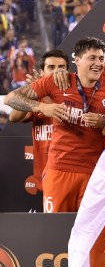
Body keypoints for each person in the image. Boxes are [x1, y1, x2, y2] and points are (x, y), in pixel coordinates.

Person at [4, 37, 105, 212]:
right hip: (60, 170)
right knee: (54, 233)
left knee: (87, 236)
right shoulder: (58, 82)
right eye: (92, 58)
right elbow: (11, 98)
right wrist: (42, 107)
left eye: (101, 58)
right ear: (77, 60)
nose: (98, 63)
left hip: (94, 173)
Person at [8, 49, 69, 196]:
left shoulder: (76, 96)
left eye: (61, 67)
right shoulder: (37, 99)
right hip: (45, 177)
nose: (56, 72)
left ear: (68, 72)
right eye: (51, 67)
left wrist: (43, 93)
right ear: (42, 73)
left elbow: (66, 119)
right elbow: (14, 117)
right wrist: (37, 92)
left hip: (70, 175)